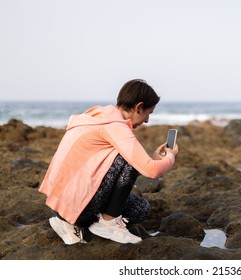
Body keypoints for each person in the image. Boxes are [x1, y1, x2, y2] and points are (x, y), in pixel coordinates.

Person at [39, 79, 179, 245]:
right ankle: (106, 223)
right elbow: (151, 171)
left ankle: (71, 222)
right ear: (138, 107)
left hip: (62, 201)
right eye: (149, 112)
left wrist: (154, 159)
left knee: (141, 209)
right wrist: (170, 157)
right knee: (128, 158)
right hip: (77, 202)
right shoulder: (114, 126)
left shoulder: (96, 117)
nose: (147, 120)